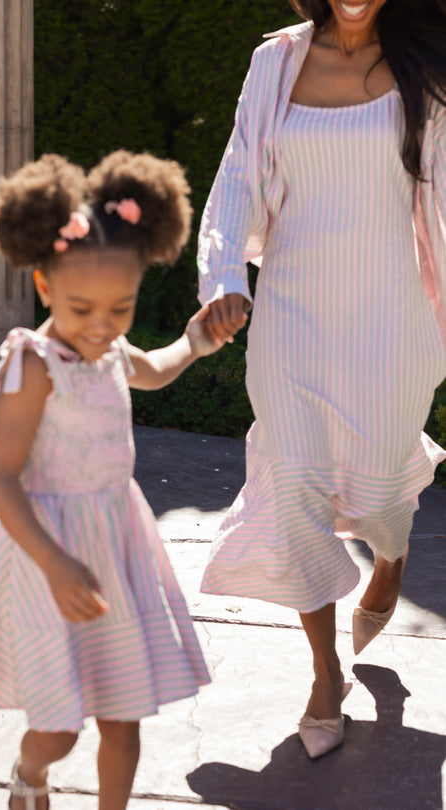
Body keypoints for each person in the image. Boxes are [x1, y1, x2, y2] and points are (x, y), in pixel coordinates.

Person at [198, 0, 446, 759]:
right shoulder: (275, 62)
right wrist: (222, 278)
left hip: (391, 315)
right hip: (292, 315)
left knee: (375, 497)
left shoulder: (426, 70)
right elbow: (238, 169)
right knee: (293, 487)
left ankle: (390, 557)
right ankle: (325, 671)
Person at [0, 150, 223, 810]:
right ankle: (29, 770)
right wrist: (54, 562)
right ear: (45, 286)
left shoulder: (104, 347)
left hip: (116, 542)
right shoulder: (36, 362)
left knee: (123, 714)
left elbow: (152, 369)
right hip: (52, 553)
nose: (103, 328)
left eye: (122, 308)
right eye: (82, 308)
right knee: (58, 726)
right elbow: (1, 479)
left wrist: (193, 341)